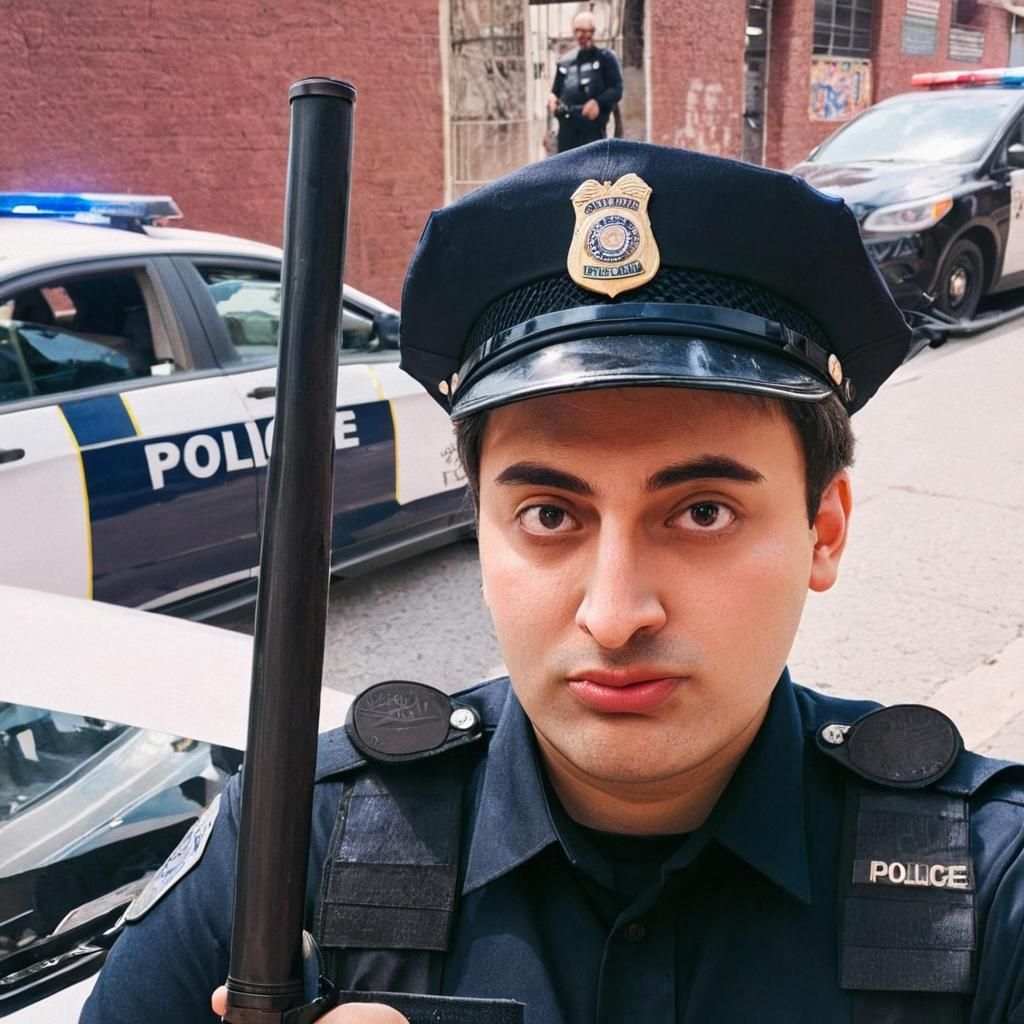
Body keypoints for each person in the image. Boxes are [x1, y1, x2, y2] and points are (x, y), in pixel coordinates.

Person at [81, 140, 1024, 1024]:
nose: (614, 617)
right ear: (480, 531)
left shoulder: (985, 888)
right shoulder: (298, 840)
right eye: (549, 516)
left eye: (702, 512)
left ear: (825, 531)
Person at [547, 12, 623, 153]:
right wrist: (552, 98)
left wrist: (598, 102)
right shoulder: (565, 61)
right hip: (567, 126)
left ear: (593, 32)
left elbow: (617, 89)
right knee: (566, 170)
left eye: (585, 30)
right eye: (577, 30)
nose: (581, 35)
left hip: (594, 127)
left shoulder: (606, 58)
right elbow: (555, 91)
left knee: (593, 171)